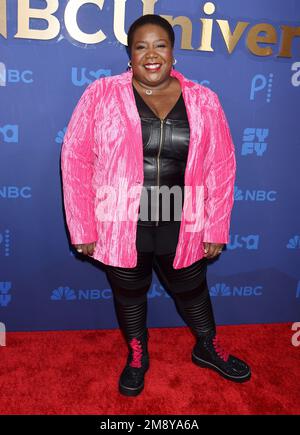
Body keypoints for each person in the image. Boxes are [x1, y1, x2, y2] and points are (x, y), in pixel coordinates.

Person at [61, 14, 251, 397]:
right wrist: (83, 227)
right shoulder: (101, 94)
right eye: (141, 46)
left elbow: (222, 165)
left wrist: (216, 226)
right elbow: (76, 157)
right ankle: (136, 354)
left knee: (193, 289)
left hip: (183, 220)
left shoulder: (203, 100)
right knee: (129, 293)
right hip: (118, 221)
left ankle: (207, 346)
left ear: (173, 53)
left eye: (160, 45)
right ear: (129, 55)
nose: (151, 54)